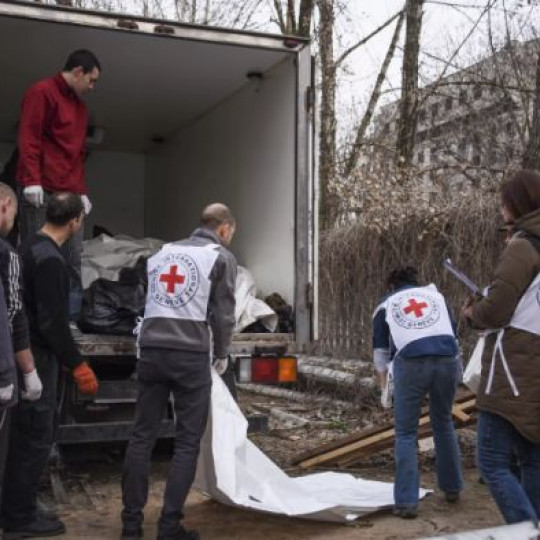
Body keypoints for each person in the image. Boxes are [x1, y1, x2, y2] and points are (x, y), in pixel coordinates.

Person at [121, 203, 237, 540]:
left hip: (151, 352)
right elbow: (224, 315)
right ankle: (168, 527)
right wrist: (222, 354)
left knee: (141, 437)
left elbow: (149, 299)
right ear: (224, 228)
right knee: (186, 443)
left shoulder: (161, 253)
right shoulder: (220, 257)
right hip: (190, 356)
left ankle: (131, 526)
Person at [1, 193, 99, 540]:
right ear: (75, 222)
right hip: (39, 360)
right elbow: (53, 323)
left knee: (21, 437)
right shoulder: (52, 260)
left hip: (23, 354)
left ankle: (16, 505)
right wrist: (78, 364)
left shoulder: (28, 246)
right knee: (35, 437)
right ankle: (20, 518)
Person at [463, 169, 540, 524]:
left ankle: (526, 531)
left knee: (492, 461)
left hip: (514, 371)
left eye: (503, 202)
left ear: (518, 203)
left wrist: (472, 311)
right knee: (533, 459)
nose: (500, 209)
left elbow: (495, 312)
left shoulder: (522, 247)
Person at [372, 266, 463, 518]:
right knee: (443, 422)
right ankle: (453, 488)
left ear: (391, 286)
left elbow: (380, 352)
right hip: (447, 359)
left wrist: (384, 388)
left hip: (411, 363)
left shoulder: (386, 304)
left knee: (405, 433)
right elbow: (453, 335)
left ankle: (406, 503)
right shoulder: (436, 297)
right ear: (416, 282)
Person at [16, 49, 101, 317]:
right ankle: (31, 321)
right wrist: (32, 180)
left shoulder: (81, 109)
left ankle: (69, 320)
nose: (92, 87)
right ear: (77, 72)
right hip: (40, 188)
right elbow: (29, 137)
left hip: (69, 191)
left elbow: (76, 155)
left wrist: (81, 191)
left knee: (73, 258)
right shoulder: (41, 93)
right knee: (37, 255)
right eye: (91, 80)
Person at [0, 183, 43, 510]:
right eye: (14, 215)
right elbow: (14, 316)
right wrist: (27, 372)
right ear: (4, 205)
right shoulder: (7, 253)